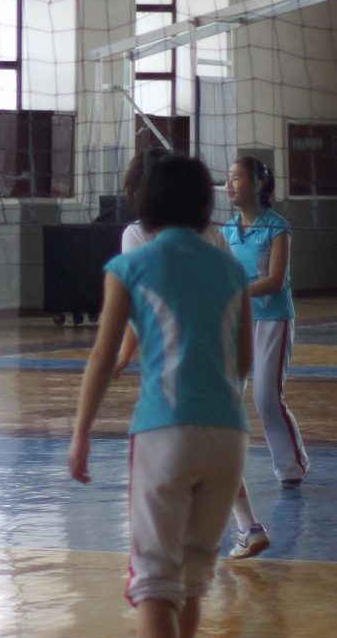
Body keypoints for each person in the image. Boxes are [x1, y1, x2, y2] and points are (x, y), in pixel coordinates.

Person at [68, 155, 252, 638]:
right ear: (205, 204)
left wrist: (80, 432)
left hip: (164, 429)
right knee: (194, 574)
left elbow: (103, 355)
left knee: (153, 575)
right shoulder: (230, 269)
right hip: (229, 436)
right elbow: (244, 358)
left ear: (145, 203)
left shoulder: (131, 263)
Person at [113, 148, 270, 561]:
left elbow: (141, 306)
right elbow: (233, 300)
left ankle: (186, 541)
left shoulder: (135, 236)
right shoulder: (214, 234)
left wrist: (124, 352)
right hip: (222, 358)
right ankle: (245, 526)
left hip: (175, 372)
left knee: (177, 459)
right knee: (212, 444)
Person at [221, 157, 310, 488]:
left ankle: (291, 467)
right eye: (227, 179)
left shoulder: (277, 227)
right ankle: (221, 464)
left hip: (272, 319)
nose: (229, 185)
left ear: (258, 184)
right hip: (237, 320)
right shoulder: (227, 229)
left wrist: (235, 293)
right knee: (226, 393)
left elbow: (275, 280)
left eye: (236, 178)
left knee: (266, 397)